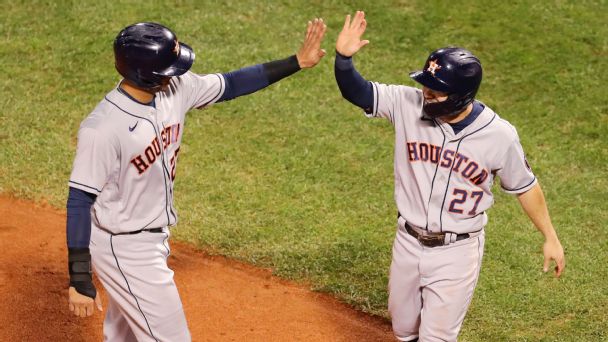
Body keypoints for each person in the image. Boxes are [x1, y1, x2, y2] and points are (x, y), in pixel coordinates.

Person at [66, 19, 326, 341]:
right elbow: (79, 199)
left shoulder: (175, 88)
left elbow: (230, 84)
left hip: (148, 236)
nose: (176, 73)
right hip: (124, 247)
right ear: (146, 74)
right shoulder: (103, 129)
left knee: (125, 337)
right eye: (168, 68)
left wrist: (297, 62)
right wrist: (80, 278)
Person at [334, 11, 565, 341]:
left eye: (436, 90)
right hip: (407, 241)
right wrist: (343, 59)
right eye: (425, 85)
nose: (426, 93)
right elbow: (357, 92)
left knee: (437, 337)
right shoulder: (407, 103)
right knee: (403, 330)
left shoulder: (499, 136)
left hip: (456, 252)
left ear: (461, 96)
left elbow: (525, 186)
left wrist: (550, 236)